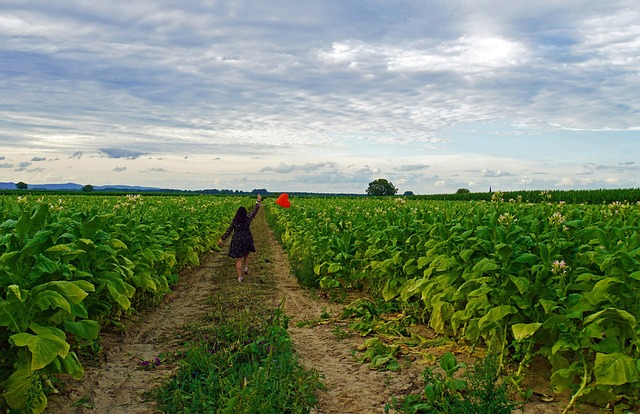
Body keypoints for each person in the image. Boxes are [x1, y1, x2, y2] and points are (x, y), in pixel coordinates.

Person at [217, 194, 262, 282]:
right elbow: (254, 212)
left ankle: (239, 277)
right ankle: (246, 267)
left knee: (239, 259)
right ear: (245, 213)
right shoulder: (247, 219)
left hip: (237, 240)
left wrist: (222, 238)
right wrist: (258, 201)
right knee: (246, 254)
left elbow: (228, 231)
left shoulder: (234, 221)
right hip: (246, 238)